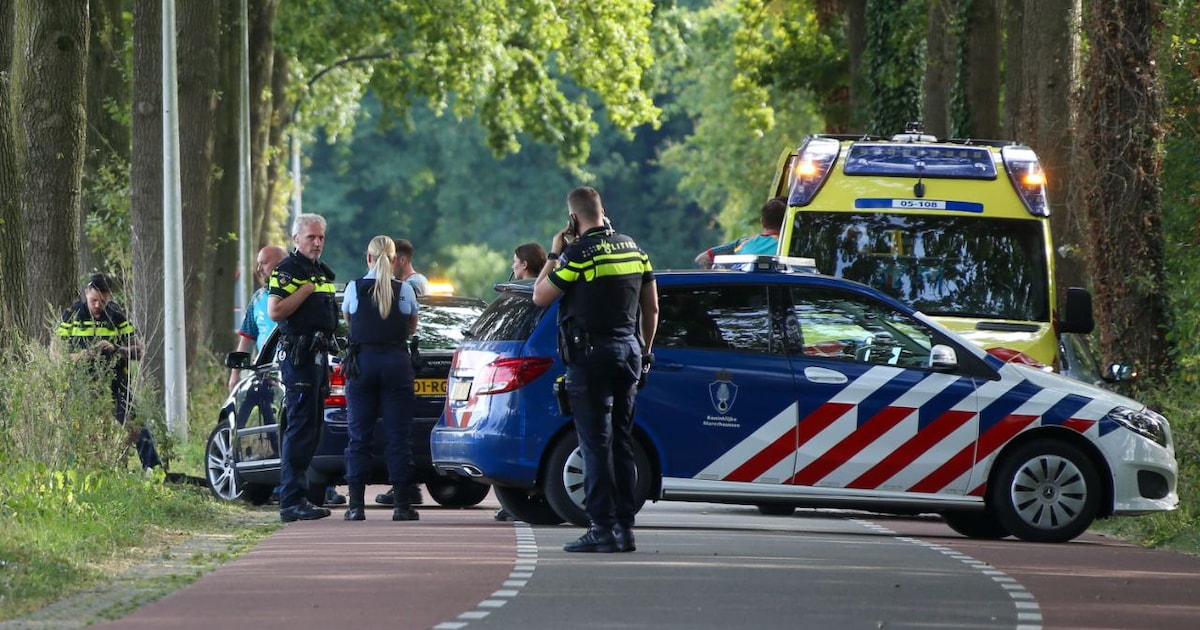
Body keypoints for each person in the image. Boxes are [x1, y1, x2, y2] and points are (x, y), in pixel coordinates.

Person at [532, 186, 658, 553]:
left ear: (573, 218)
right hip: (629, 354)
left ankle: (601, 528)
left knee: (594, 443)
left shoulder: (578, 255)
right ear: (602, 210)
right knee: (621, 440)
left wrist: (554, 252)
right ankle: (625, 529)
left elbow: (540, 295)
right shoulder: (634, 249)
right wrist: (645, 352)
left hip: (590, 357)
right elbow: (651, 308)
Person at [228, 244, 345, 506]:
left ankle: (309, 488)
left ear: (280, 263)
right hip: (271, 368)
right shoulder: (259, 298)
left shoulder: (304, 285)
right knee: (290, 430)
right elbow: (246, 337)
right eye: (259, 263)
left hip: (301, 363)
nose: (259, 268)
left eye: (264, 262)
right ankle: (288, 490)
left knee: (305, 428)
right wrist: (236, 373)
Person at [341, 235, 422, 521]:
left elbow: (350, 322)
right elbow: (411, 328)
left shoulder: (353, 288)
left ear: (368, 258)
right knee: (398, 436)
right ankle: (402, 505)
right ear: (394, 259)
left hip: (362, 364)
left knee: (359, 436)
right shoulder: (405, 290)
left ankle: (355, 506)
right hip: (396, 363)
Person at [268, 213, 340, 523]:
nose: (317, 242)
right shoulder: (288, 270)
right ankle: (291, 501)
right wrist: (304, 291)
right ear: (296, 238)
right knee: (299, 429)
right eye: (311, 237)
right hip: (299, 357)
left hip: (318, 357)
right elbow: (275, 311)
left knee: (312, 430)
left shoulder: (321, 272)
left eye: (321, 237)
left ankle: (300, 497)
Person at [58, 273, 161, 471]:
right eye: (94, 300)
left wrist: (116, 348)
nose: (98, 305)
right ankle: (75, 469)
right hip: (81, 382)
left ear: (109, 297)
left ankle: (153, 470)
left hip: (115, 381)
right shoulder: (71, 315)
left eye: (103, 301)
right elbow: (56, 354)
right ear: (86, 293)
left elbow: (139, 351)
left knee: (136, 422)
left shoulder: (117, 316)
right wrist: (82, 356)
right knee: (75, 426)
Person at [491, 241, 550, 523]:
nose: (513, 265)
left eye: (515, 261)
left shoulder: (526, 295)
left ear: (524, 265)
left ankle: (515, 501)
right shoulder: (544, 290)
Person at [373, 236, 430, 509]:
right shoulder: (414, 285)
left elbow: (410, 323)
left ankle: (405, 488)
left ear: (401, 260)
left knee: (395, 429)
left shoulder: (410, 286)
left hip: (399, 358)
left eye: (393, 259)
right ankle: (407, 488)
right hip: (408, 360)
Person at [694, 197, 788, 268]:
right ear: (785, 223)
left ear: (762, 221)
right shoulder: (788, 245)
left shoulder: (742, 243)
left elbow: (702, 258)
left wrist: (721, 272)